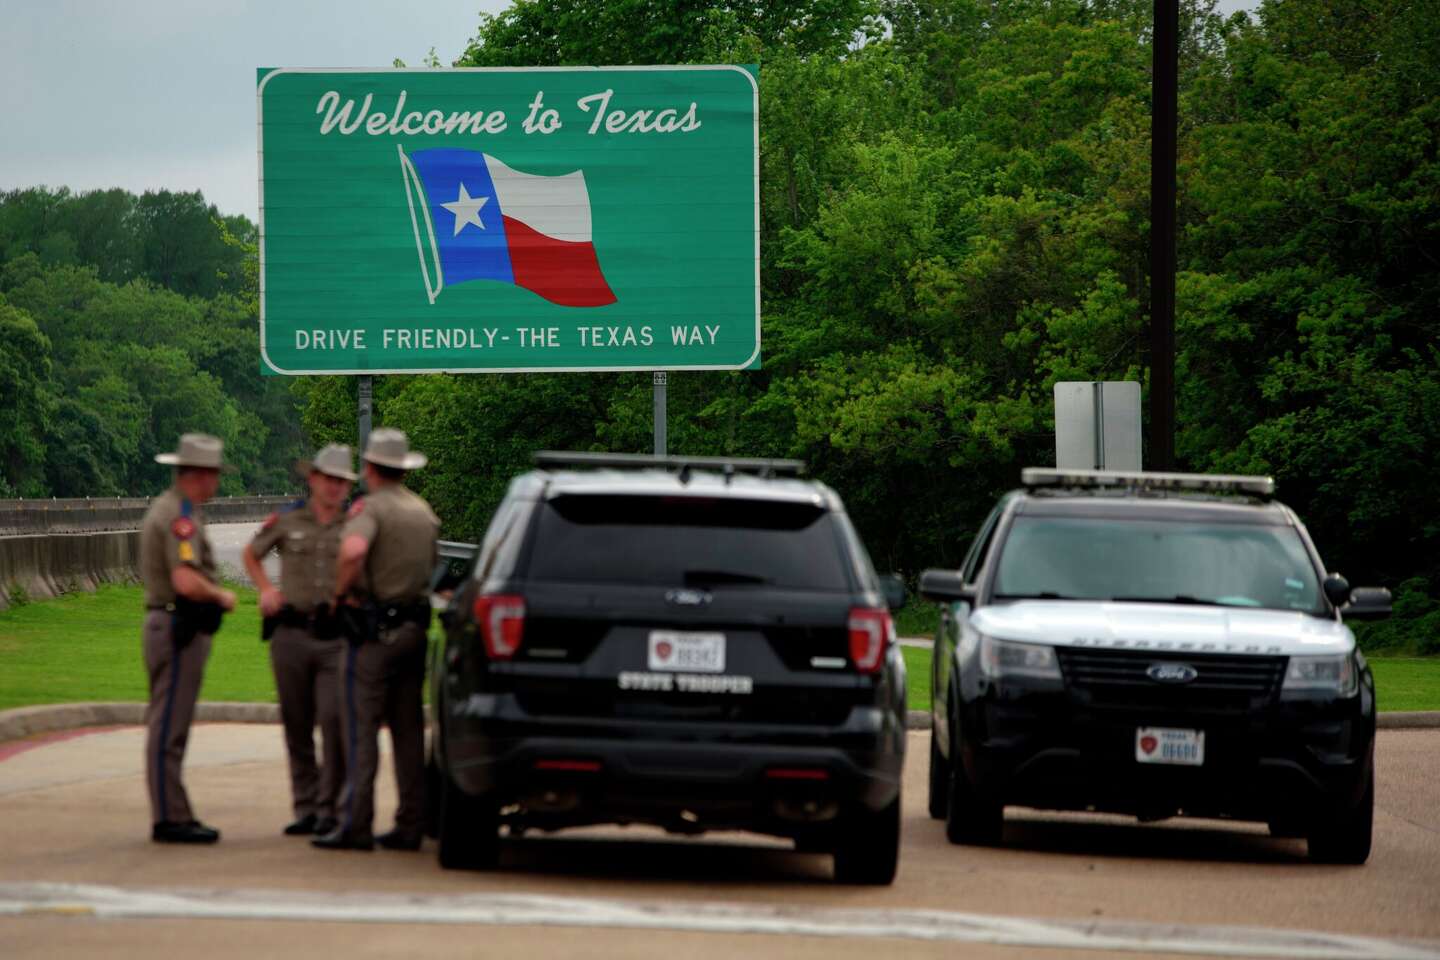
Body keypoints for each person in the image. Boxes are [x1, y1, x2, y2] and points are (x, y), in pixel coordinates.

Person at [314, 428, 439, 852]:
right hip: (414, 630)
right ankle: (411, 822)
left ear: (369, 469)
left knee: (360, 727)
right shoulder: (423, 511)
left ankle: (356, 823)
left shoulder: (370, 508)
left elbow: (351, 552)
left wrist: (339, 595)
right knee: (408, 730)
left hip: (373, 633)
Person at [243, 444, 356, 837]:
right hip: (290, 634)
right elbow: (251, 553)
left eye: (342, 481)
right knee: (297, 724)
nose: (334, 487)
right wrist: (264, 590)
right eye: (329, 479)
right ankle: (306, 807)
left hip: (333, 637)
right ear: (314, 480)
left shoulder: (354, 524)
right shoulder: (289, 519)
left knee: (333, 720)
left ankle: (330, 808)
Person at [139, 433, 237, 844]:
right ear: (199, 475)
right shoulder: (179, 516)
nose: (216, 483)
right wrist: (221, 594)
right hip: (177, 627)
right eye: (213, 474)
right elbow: (184, 579)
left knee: (170, 723)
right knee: (169, 726)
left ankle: (174, 811)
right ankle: (169, 817)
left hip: (171, 625)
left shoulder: (176, 510)